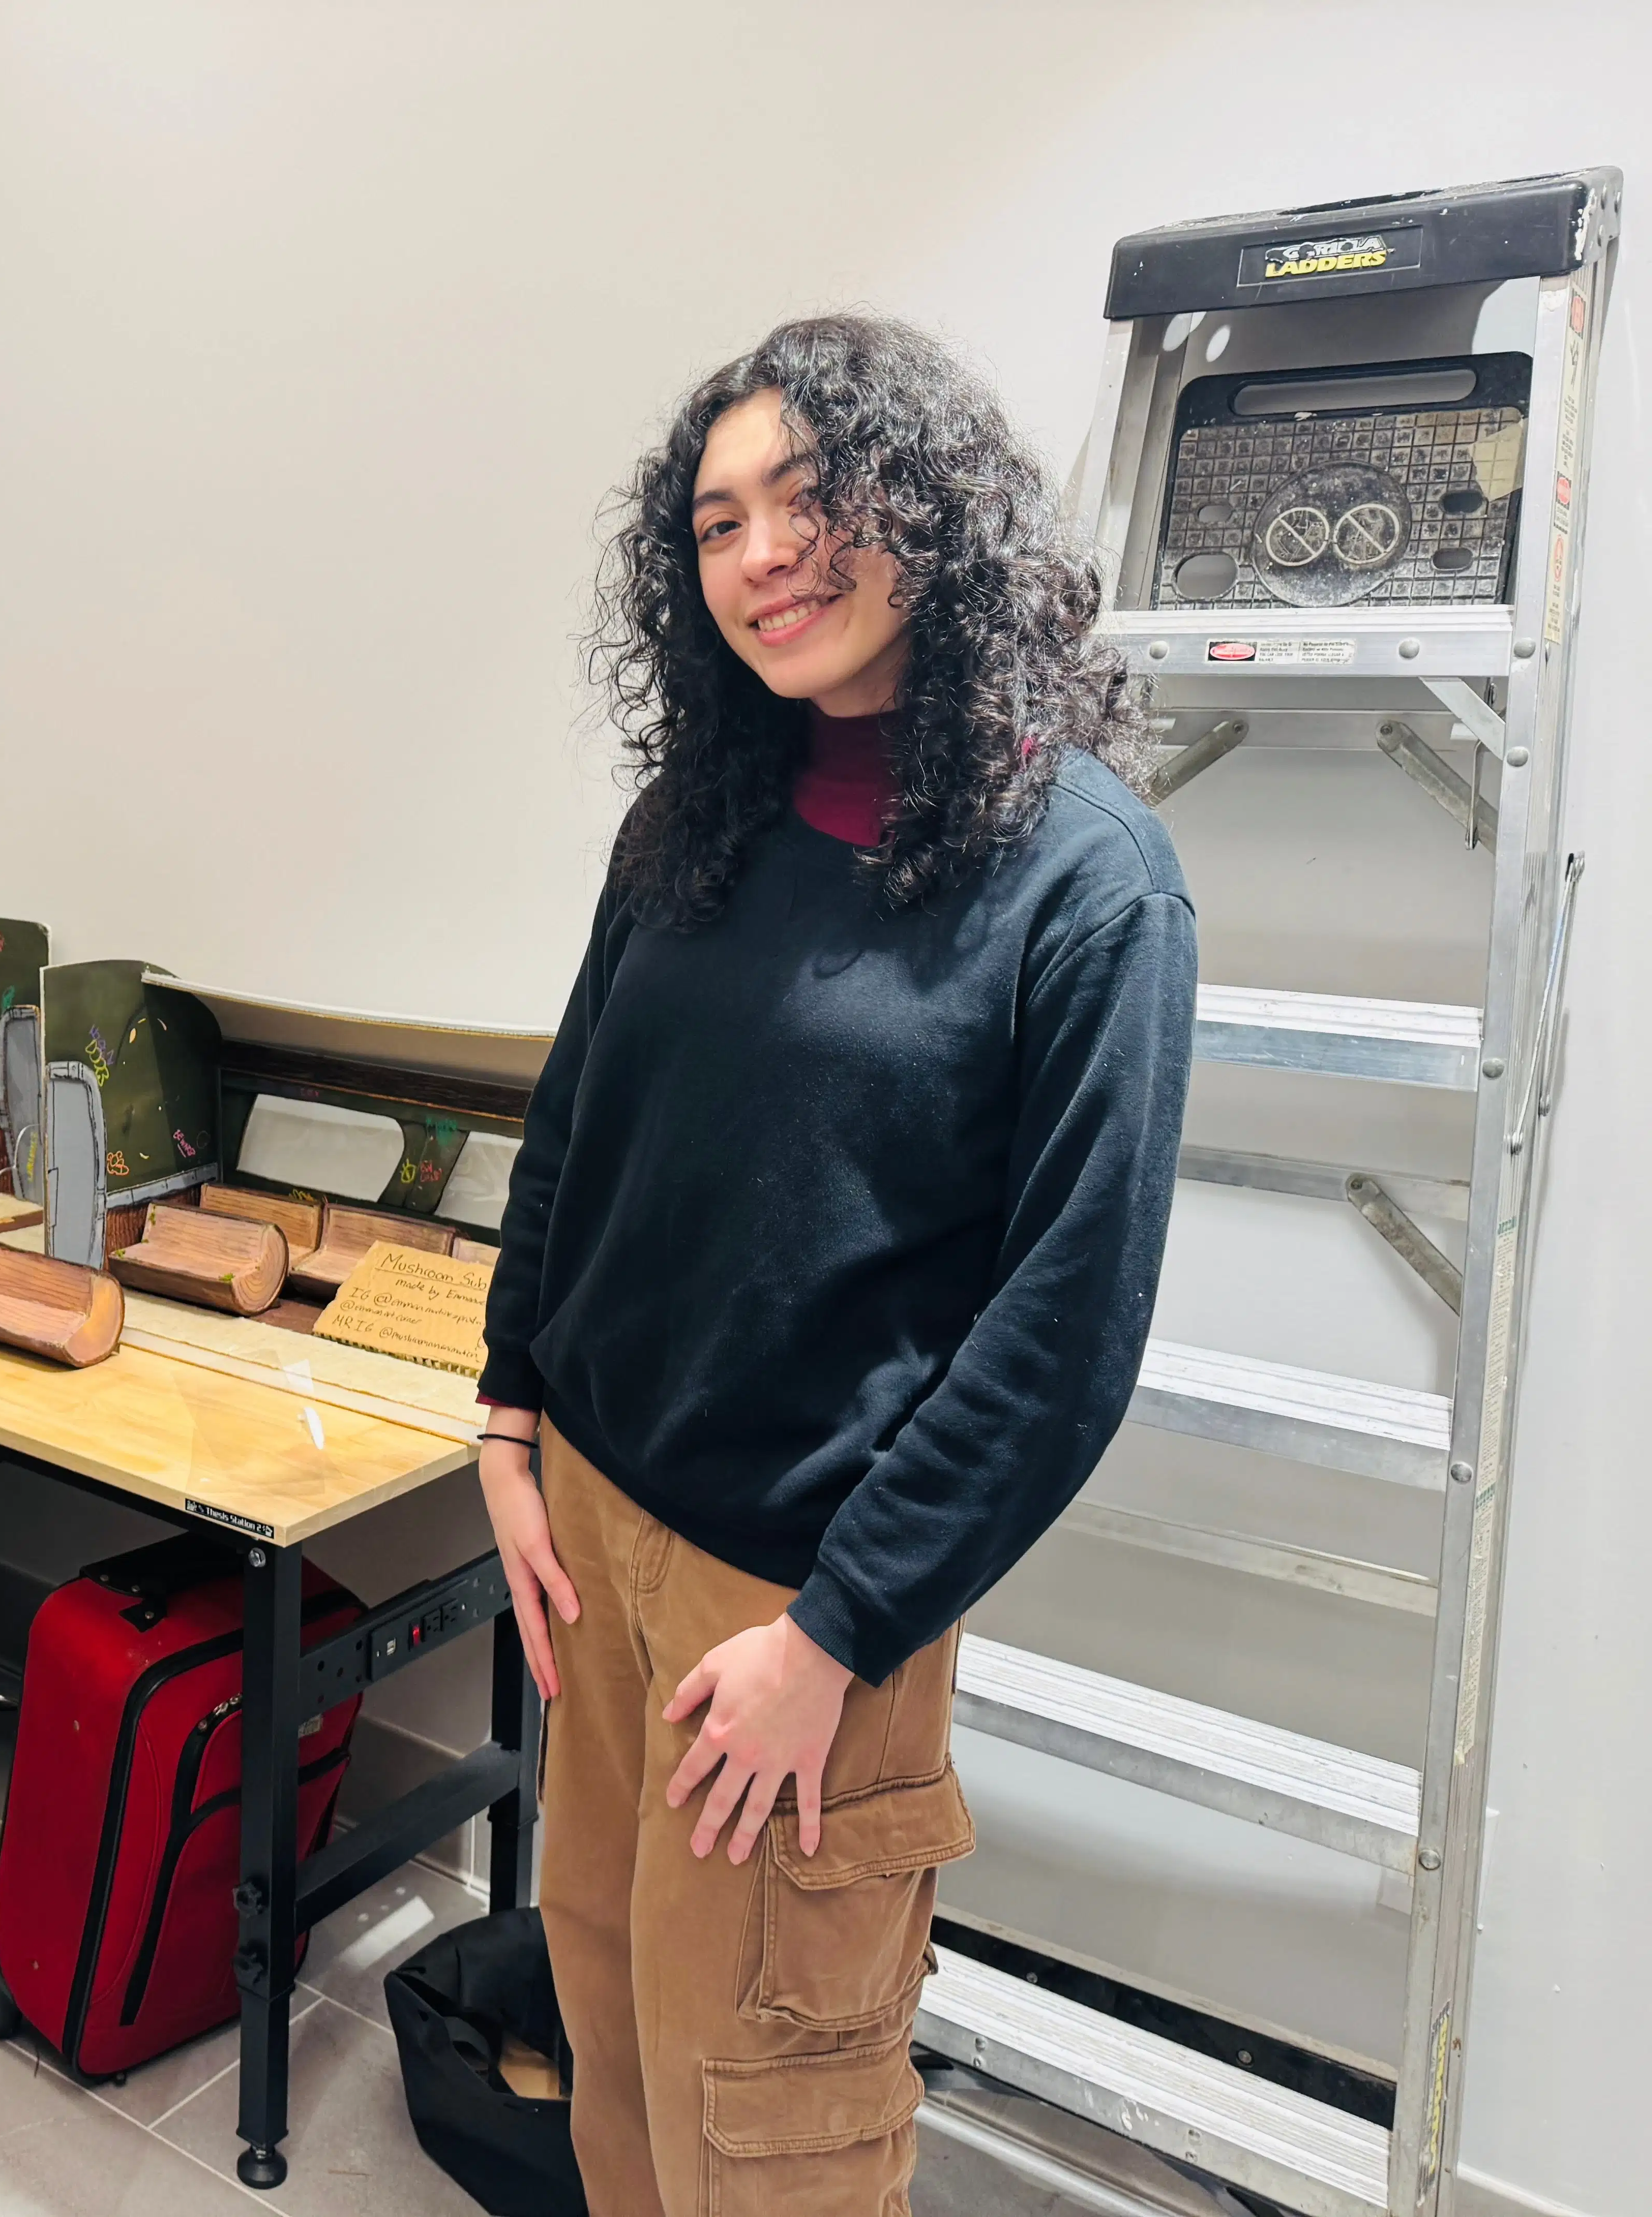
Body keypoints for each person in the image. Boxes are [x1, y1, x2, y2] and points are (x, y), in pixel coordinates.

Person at [475, 315, 1197, 2216]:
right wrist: (504, 1409)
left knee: (775, 2118)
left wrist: (838, 1635)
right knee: (615, 2035)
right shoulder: (692, 822)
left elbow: (1064, 1331)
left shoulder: (1088, 880)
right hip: (599, 1530)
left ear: (935, 510)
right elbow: (575, 1121)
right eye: (717, 523)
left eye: (812, 495)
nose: (764, 554)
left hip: (797, 1607)